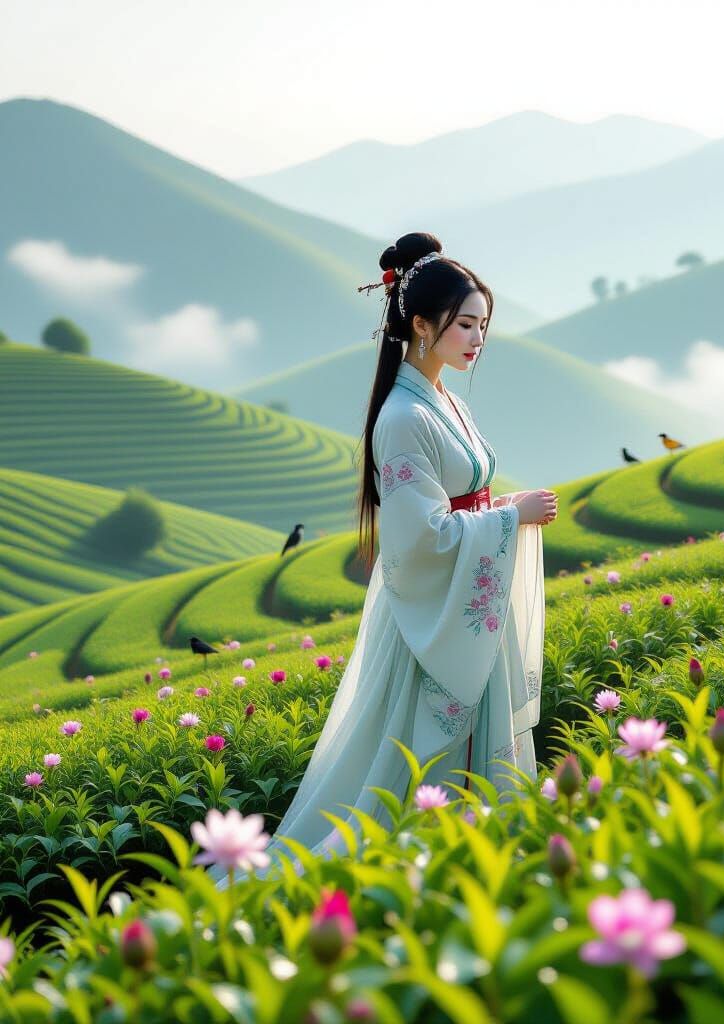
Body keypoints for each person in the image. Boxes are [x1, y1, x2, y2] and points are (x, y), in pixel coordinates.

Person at [209, 232, 557, 886]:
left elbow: (459, 503)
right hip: (433, 615)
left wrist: (504, 510)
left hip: (466, 600)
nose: (477, 339)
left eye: (483, 325)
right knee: (415, 770)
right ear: (422, 325)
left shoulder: (445, 399)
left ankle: (483, 867)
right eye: (465, 324)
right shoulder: (402, 417)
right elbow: (420, 537)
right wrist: (510, 519)